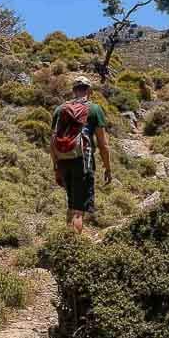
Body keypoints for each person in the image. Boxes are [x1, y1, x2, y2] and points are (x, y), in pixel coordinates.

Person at [50, 75, 112, 234]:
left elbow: (52, 142)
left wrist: (56, 167)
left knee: (71, 204)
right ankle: (73, 244)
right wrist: (107, 167)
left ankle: (66, 238)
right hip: (83, 162)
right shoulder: (95, 109)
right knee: (78, 210)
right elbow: (103, 144)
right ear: (89, 90)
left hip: (63, 160)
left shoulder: (60, 109)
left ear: (73, 91)